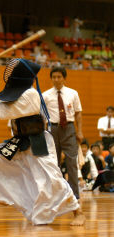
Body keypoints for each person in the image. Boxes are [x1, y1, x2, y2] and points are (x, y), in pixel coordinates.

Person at [0, 58, 85, 225]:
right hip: (21, 141)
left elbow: (7, 109)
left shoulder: (31, 94)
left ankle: (78, 212)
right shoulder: (20, 93)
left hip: (38, 141)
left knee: (53, 178)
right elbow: (0, 106)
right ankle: (2, 194)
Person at [43, 66, 83, 201]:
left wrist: (80, 131)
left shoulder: (73, 93)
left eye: (59, 77)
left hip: (69, 128)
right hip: (52, 129)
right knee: (54, 162)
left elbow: (78, 113)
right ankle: (56, 193)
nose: (56, 79)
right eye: (54, 77)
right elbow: (42, 117)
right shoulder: (46, 95)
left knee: (72, 161)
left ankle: (74, 194)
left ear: (64, 78)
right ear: (51, 79)